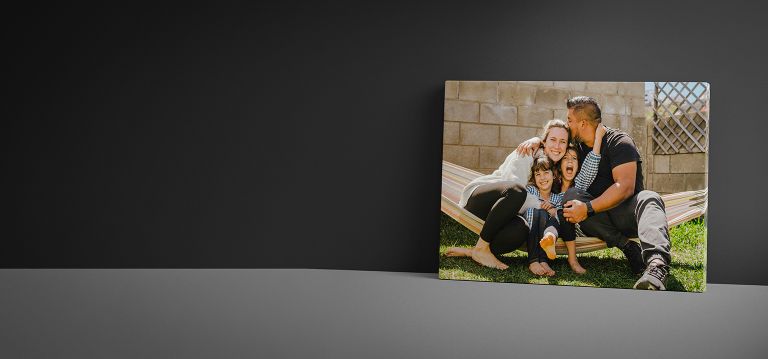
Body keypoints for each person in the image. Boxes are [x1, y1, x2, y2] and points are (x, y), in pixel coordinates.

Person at [518, 96, 671, 290]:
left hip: (625, 215)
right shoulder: (577, 148)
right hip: (594, 221)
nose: (567, 124)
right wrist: (536, 141)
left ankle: (657, 266)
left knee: (650, 197)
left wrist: (588, 208)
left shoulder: (619, 142)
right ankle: (627, 246)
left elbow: (625, 187)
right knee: (571, 196)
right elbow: (554, 148)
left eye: (570, 120)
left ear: (582, 123)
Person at [444, 120, 569, 272]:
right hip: (479, 199)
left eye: (563, 141)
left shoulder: (555, 167)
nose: (557, 146)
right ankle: (482, 249)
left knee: (521, 230)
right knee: (517, 191)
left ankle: (475, 251)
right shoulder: (528, 152)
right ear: (544, 141)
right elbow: (513, 188)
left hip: (503, 213)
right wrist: (543, 205)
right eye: (553, 140)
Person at [536, 124, 606, 275]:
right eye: (566, 158)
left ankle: (572, 259)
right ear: (559, 166)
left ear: (578, 165)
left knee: (563, 211)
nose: (569, 161)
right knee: (553, 214)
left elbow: (591, 165)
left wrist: (598, 137)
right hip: (552, 229)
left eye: (574, 159)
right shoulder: (551, 187)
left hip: (575, 230)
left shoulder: (579, 184)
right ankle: (548, 243)